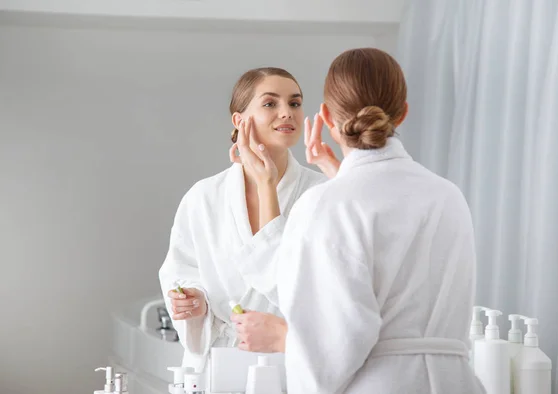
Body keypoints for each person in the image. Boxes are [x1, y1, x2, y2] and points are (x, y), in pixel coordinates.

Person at [234, 48, 485, 393]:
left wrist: (282, 338)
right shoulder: (448, 196)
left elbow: (332, 340)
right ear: (404, 113)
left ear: (326, 117)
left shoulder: (327, 203)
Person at [157, 67, 327, 373]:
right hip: (217, 360)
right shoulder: (204, 197)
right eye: (270, 103)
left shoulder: (320, 194)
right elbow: (180, 269)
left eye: (295, 103)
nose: (287, 113)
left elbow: (323, 288)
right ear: (239, 120)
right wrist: (196, 301)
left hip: (289, 361)